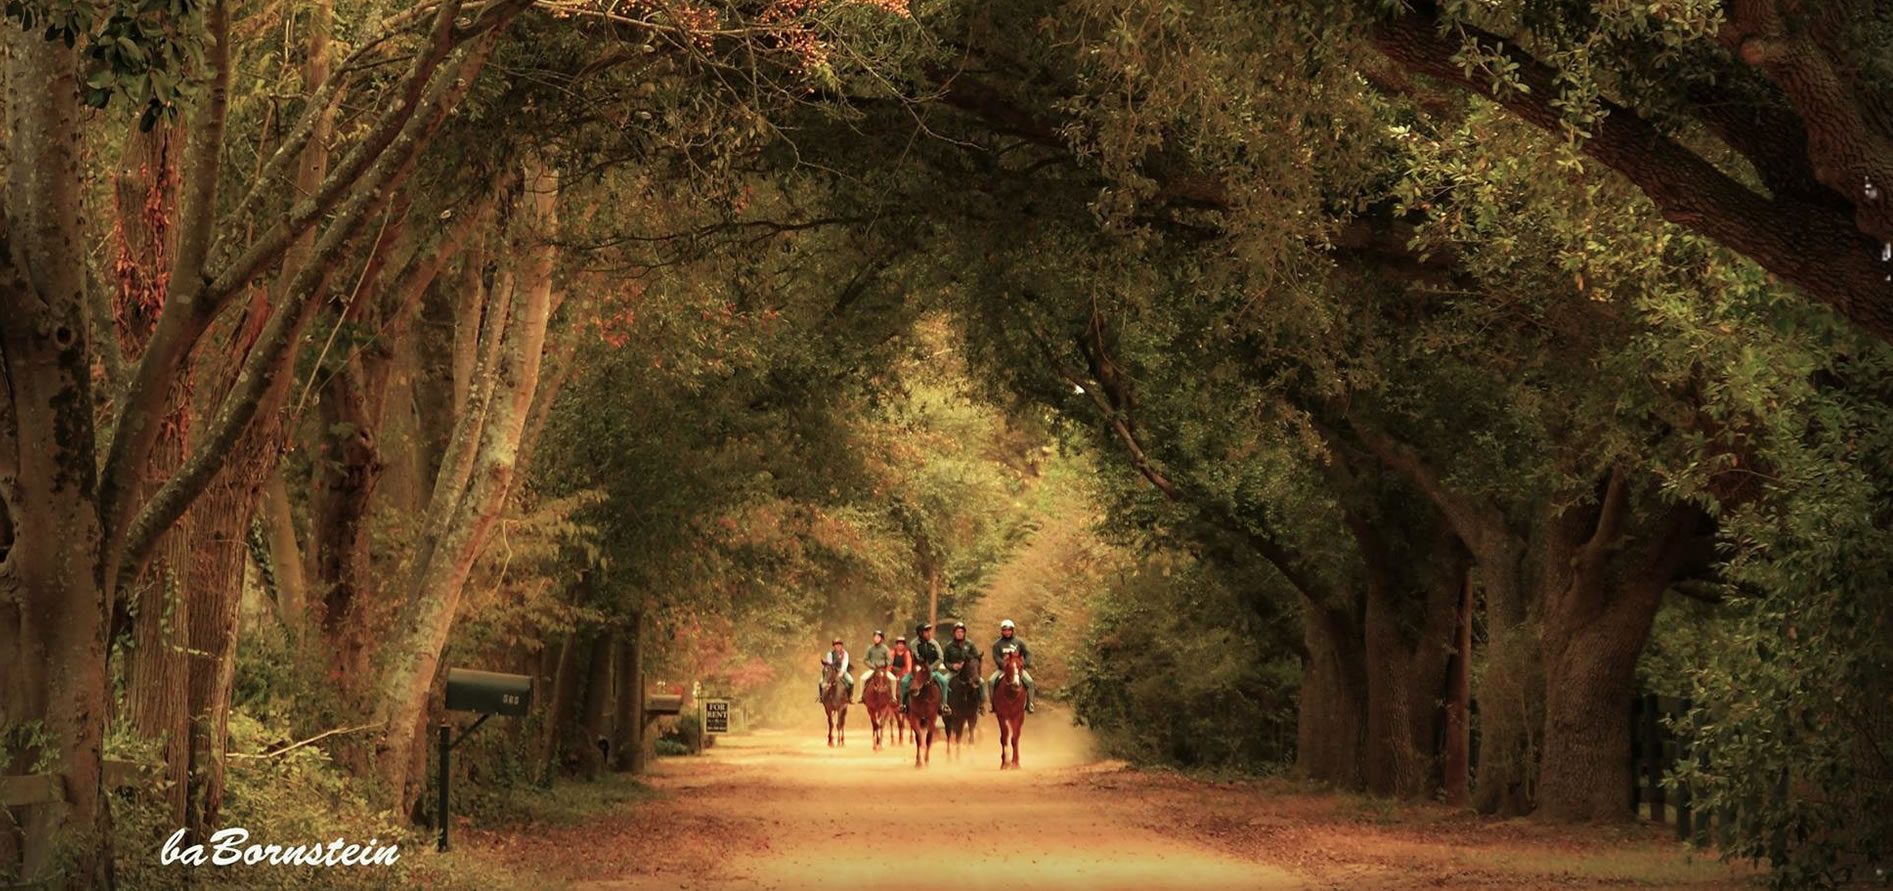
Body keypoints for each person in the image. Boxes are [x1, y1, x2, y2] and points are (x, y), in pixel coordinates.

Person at [901, 622, 953, 716]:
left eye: (929, 631)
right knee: (904, 681)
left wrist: (931, 667)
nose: (929, 633)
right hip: (918, 670)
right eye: (926, 631)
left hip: (933, 671)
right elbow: (917, 656)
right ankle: (903, 705)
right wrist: (923, 667)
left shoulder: (934, 643)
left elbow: (941, 657)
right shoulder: (914, 643)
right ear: (920, 633)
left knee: (944, 681)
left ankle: (944, 705)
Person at [987, 619, 1036, 714]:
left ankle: (1030, 704)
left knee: (1029, 681)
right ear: (1001, 631)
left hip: (1018, 670)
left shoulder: (1019, 642)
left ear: (1012, 630)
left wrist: (1023, 664)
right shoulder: (997, 644)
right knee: (991, 681)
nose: (1007, 632)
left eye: (1009, 630)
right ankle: (993, 704)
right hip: (1003, 670)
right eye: (1004, 630)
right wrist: (1003, 664)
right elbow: (996, 657)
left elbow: (1028, 654)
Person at [940, 621, 985, 715]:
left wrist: (968, 664)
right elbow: (945, 661)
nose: (960, 634)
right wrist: (953, 666)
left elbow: (976, 658)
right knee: (943, 680)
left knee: (981, 682)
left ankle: (981, 704)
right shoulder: (949, 646)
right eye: (957, 632)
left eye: (961, 632)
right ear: (954, 633)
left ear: (964, 633)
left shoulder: (970, 644)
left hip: (969, 672)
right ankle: (943, 705)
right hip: (954, 672)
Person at [817, 638, 852, 703]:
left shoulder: (845, 653)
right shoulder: (830, 654)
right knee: (820, 682)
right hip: (832, 671)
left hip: (842, 671)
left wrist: (841, 672)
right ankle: (821, 697)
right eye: (836, 644)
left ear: (841, 646)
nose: (838, 646)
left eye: (839, 644)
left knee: (851, 681)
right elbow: (830, 664)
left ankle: (849, 697)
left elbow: (845, 663)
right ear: (834, 646)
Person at [861, 630, 893, 698]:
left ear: (881, 639)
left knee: (893, 679)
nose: (876, 639)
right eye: (875, 637)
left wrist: (885, 664)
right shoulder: (870, 648)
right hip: (873, 669)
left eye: (878, 637)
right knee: (862, 678)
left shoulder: (885, 648)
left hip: (883, 670)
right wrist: (871, 665)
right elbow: (865, 659)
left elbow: (889, 659)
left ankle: (894, 696)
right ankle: (861, 696)